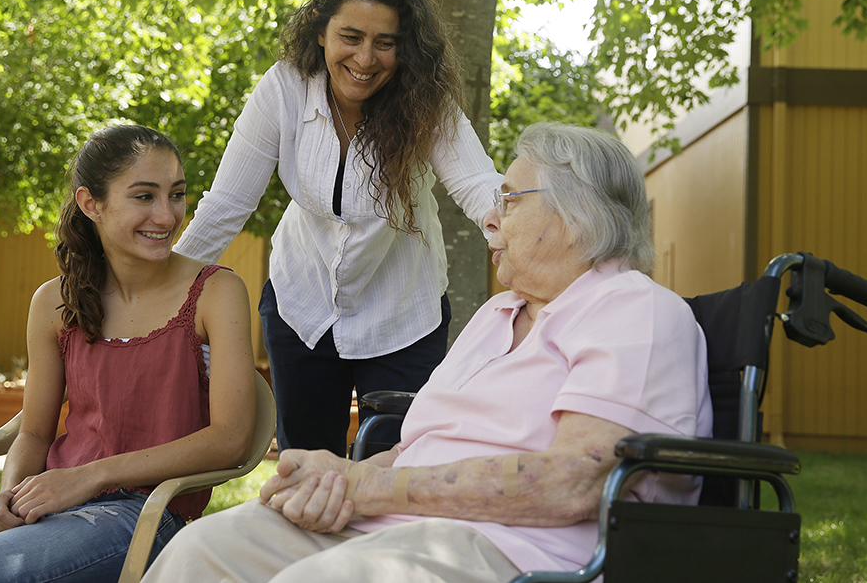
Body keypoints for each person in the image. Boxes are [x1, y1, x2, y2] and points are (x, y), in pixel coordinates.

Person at [140, 122, 714, 583]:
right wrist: (338, 478)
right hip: (391, 523)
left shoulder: (634, 311)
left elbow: (573, 482)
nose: (491, 216)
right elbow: (421, 447)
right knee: (205, 553)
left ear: (576, 213)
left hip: (515, 548)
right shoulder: (498, 316)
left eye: (510, 200)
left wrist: (365, 488)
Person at [0, 125, 258, 583]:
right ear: (92, 205)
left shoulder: (216, 291)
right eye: (144, 196)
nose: (167, 216)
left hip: (150, 514)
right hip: (52, 494)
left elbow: (231, 438)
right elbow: (33, 433)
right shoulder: (54, 301)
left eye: (177, 194)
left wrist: (90, 477)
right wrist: (9, 500)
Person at [173, 0, 502, 456]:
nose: (366, 59)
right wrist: (162, 298)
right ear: (320, 30)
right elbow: (225, 206)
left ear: (404, 46)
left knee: (394, 475)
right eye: (351, 37)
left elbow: (479, 185)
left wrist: (532, 238)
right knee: (306, 468)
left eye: (385, 43)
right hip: (300, 309)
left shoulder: (425, 99)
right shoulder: (284, 88)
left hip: (403, 318)